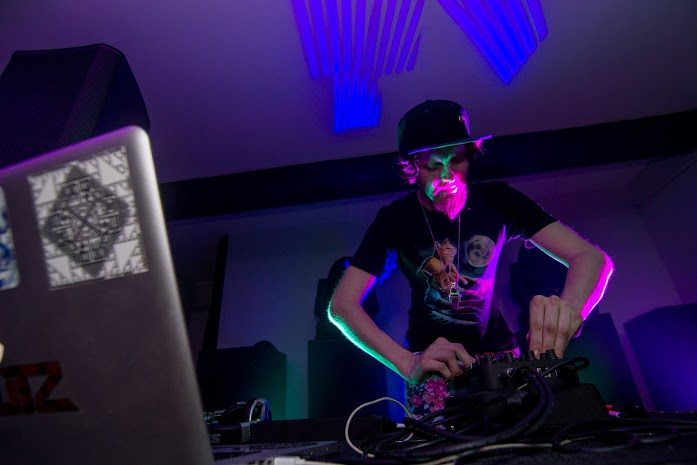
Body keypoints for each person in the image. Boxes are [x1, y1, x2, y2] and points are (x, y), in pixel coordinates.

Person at [328, 100, 614, 416]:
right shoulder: (394, 219)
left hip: (500, 356)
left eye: (456, 160)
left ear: (470, 154)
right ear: (413, 167)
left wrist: (568, 312)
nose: (447, 175)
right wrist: (408, 364)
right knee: (436, 444)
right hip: (433, 364)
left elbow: (592, 258)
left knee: (521, 436)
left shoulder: (499, 200)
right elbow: (341, 307)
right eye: (432, 165)